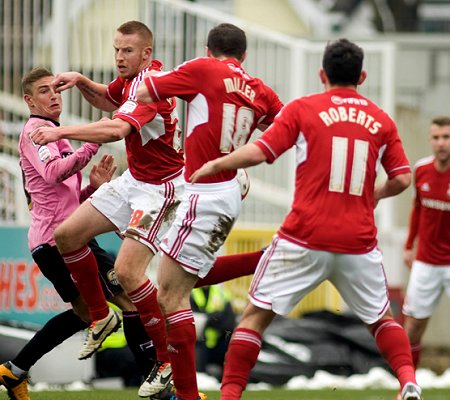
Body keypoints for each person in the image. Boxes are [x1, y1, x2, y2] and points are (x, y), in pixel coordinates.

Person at [190, 38, 422, 400]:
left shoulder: (303, 108)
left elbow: (261, 151)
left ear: (322, 74)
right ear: (361, 76)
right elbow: (403, 178)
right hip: (357, 242)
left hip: (305, 236)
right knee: (381, 320)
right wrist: (372, 195)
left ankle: (230, 395)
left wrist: (218, 164)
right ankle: (408, 380)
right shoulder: (381, 120)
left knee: (254, 317)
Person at [136, 22, 283, 400]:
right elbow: (280, 125)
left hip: (203, 191)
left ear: (208, 48)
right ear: (244, 55)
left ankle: (187, 395)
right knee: (182, 282)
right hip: (226, 191)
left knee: (169, 295)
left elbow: (149, 88)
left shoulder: (202, 68)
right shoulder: (259, 88)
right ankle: (265, 257)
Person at [0, 67, 156, 400]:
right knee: (125, 300)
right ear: (28, 100)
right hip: (57, 242)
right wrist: (89, 145)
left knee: (87, 313)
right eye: (44, 90)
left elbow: (62, 199)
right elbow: (54, 172)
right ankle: (159, 386)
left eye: (56, 89)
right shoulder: (38, 131)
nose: (54, 95)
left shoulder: (55, 133)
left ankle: (14, 371)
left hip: (64, 238)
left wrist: (91, 189)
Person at [401, 116, 450, 373]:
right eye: (436, 137)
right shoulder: (421, 169)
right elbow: (417, 208)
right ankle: (408, 383)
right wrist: (409, 245)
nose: (441, 143)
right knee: (413, 326)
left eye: (446, 137)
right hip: (426, 263)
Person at [191, 285, 236, 380]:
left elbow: (229, 322)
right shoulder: (191, 292)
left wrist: (206, 319)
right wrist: (215, 317)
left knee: (233, 340)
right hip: (198, 343)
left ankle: (230, 380)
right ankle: (198, 377)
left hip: (218, 341)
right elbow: (192, 321)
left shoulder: (221, 292)